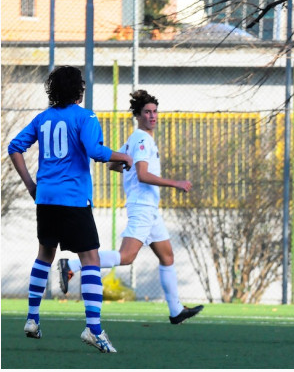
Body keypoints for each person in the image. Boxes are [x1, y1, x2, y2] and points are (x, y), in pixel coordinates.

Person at [8, 66, 133, 353]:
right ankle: (94, 329)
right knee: (90, 259)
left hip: (46, 199)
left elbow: (14, 147)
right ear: (79, 89)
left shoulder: (43, 119)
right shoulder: (85, 116)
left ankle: (32, 319)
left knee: (44, 255)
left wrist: (31, 185)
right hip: (74, 199)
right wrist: (122, 155)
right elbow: (95, 150)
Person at [58, 90, 203, 325]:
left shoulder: (135, 138)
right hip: (142, 206)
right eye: (147, 112)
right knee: (126, 257)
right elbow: (144, 175)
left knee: (167, 256)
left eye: (155, 111)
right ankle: (72, 265)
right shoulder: (142, 139)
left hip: (149, 209)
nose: (153, 116)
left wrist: (128, 167)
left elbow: (114, 164)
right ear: (138, 115)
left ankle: (176, 310)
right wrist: (175, 183)